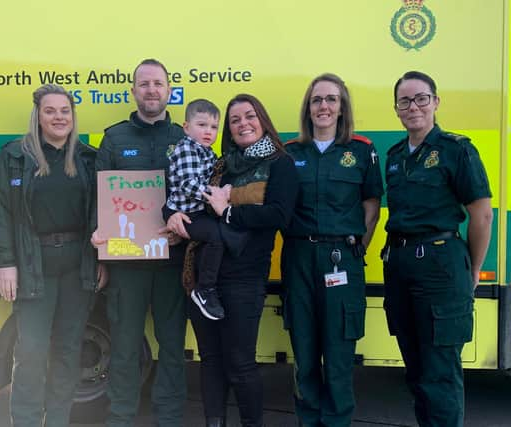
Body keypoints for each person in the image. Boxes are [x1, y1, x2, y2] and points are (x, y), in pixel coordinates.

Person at [167, 94, 298, 427]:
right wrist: (170, 215)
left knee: (240, 363)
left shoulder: (280, 162)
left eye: (249, 116)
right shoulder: (220, 164)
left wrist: (229, 212)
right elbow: (185, 199)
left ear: (263, 119)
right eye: (235, 120)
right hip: (201, 275)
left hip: (245, 277)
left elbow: (280, 215)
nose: (243, 124)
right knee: (210, 360)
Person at [382, 71, 493, 427]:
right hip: (400, 266)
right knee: (415, 373)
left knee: (440, 374)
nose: (413, 106)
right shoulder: (395, 155)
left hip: (441, 268)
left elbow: (482, 215)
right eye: (405, 101)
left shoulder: (457, 150)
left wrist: (472, 270)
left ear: (435, 102)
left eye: (421, 98)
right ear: (397, 109)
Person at [0, 84, 100, 427]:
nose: (59, 117)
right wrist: (6, 261)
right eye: (50, 111)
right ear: (38, 115)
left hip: (77, 267)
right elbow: (0, 211)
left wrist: (101, 261)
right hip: (32, 265)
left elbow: (99, 212)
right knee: (32, 352)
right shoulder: (15, 156)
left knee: (67, 352)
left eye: (65, 111)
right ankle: (24, 421)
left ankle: (58, 421)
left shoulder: (86, 157)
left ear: (72, 116)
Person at [282, 73, 383, 427]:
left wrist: (358, 246)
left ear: (342, 108)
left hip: (343, 258)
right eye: (316, 100)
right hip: (298, 260)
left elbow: (371, 206)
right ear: (307, 109)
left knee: (339, 355)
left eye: (331, 100)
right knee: (305, 354)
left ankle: (337, 422)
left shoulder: (360, 150)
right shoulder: (290, 152)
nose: (323, 106)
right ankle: (308, 421)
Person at [92, 58, 187, 427]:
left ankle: (170, 418)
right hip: (126, 265)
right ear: (134, 91)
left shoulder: (182, 138)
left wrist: (186, 228)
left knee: (173, 348)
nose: (151, 90)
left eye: (158, 84)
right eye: (144, 84)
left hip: (171, 263)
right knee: (125, 348)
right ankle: (120, 417)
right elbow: (97, 200)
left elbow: (194, 195)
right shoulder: (114, 138)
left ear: (168, 91)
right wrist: (97, 241)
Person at [164, 98, 231, 320]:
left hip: (198, 211)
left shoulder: (207, 152)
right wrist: (217, 195)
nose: (208, 132)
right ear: (186, 127)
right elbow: (188, 184)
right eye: (202, 125)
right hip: (187, 214)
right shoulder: (187, 149)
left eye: (213, 127)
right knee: (216, 236)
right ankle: (205, 289)